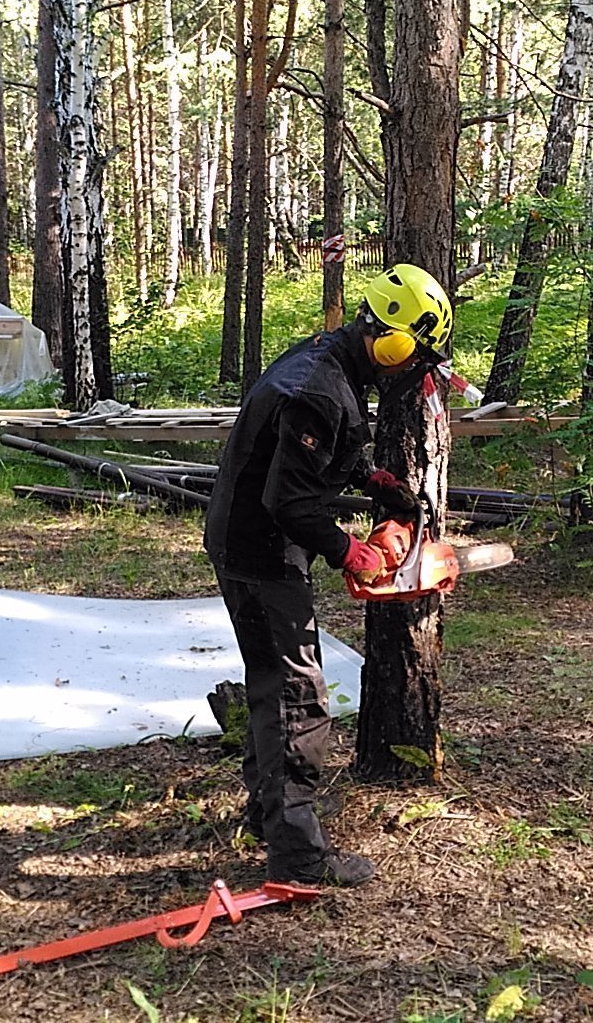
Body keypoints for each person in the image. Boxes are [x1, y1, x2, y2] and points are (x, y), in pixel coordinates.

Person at [203, 263, 455, 887]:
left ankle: (271, 818)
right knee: (296, 697)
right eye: (413, 356)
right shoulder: (319, 384)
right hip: (260, 548)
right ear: (393, 341)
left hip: (251, 539)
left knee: (271, 684)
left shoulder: (331, 360)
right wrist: (351, 552)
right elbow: (288, 502)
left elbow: (318, 452)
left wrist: (375, 483)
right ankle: (298, 859)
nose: (409, 369)